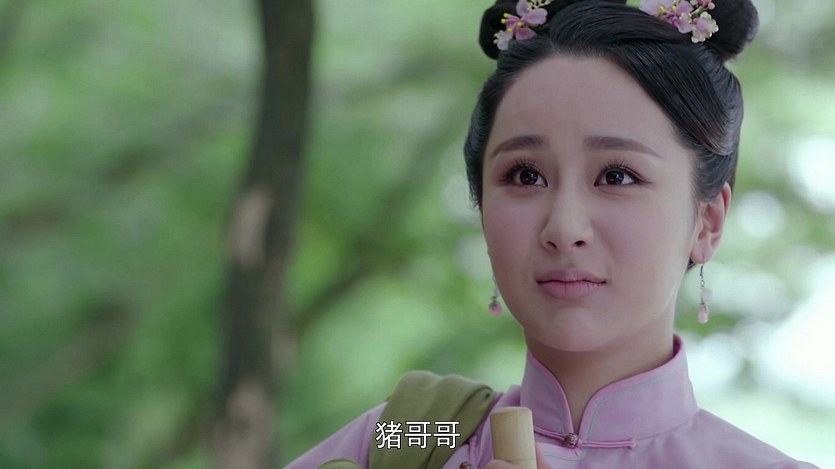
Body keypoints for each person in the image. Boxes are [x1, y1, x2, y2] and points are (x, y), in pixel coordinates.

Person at [286, 0, 820, 467]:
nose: (564, 229)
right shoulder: (417, 432)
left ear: (707, 221)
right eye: (525, 176)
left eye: (617, 176)